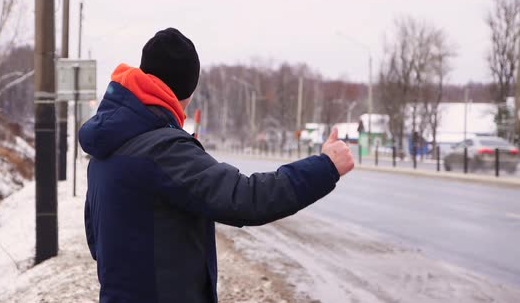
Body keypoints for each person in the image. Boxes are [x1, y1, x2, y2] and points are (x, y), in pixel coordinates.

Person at [79, 27, 354, 303]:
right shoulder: (163, 150)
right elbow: (246, 198)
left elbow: (97, 242)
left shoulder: (106, 148)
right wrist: (326, 165)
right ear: (185, 91)